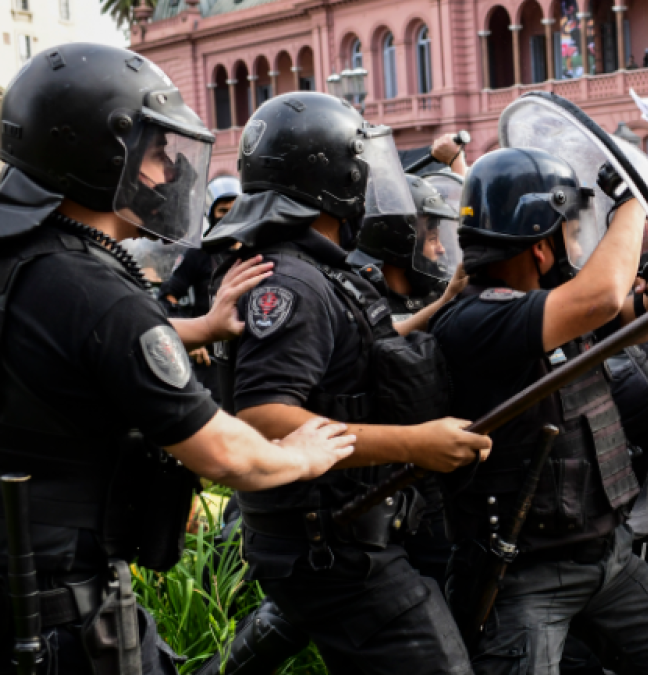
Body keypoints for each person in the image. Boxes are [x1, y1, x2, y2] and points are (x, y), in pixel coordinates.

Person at [0, 43, 356, 674]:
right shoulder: (95, 291)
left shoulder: (22, 259)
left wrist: (201, 325)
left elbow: (64, 345)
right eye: (159, 153)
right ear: (107, 153)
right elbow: (223, 453)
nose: (169, 174)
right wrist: (299, 457)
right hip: (65, 622)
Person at [204, 91, 492, 675]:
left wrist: (445, 306)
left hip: (338, 535)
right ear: (336, 180)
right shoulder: (295, 281)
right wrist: (416, 444)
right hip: (327, 546)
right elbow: (264, 418)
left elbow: (359, 351)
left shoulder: (317, 270)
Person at [431, 147, 648, 675]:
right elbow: (602, 299)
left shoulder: (549, 305)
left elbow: (624, 314)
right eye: (572, 230)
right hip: (522, 576)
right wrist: (635, 200)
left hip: (606, 556)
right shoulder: (474, 319)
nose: (581, 245)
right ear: (541, 247)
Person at [348, 174, 467, 336]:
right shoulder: (357, 298)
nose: (441, 249)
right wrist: (446, 301)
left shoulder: (438, 290)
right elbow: (380, 338)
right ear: (401, 243)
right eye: (433, 239)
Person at [159, 175, 242, 402]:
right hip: (211, 358)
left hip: (247, 355)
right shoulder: (200, 254)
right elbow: (167, 296)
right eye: (223, 210)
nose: (231, 216)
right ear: (211, 213)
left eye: (236, 208)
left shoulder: (257, 251)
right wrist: (194, 338)